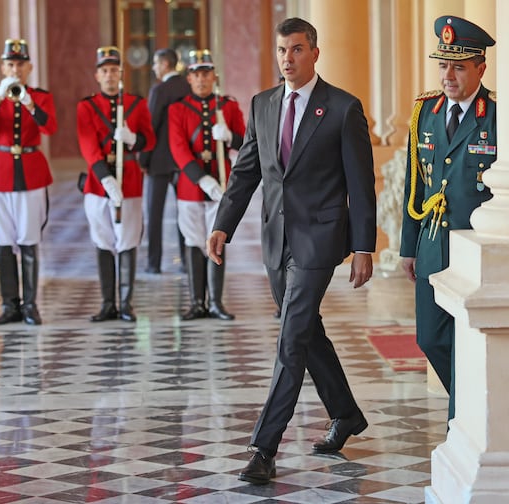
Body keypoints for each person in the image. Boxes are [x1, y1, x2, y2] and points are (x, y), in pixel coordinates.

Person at [207, 18, 377, 484]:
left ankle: (264, 447)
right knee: (304, 332)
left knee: (290, 337)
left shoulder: (342, 108)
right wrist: (223, 223)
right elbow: (246, 173)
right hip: (275, 240)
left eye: (298, 50)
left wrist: (364, 245)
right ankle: (345, 413)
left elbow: (361, 185)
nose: (288, 59)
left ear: (315, 53)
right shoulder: (262, 104)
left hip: (321, 240)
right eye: (283, 50)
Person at [400, 16, 496, 422]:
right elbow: (414, 185)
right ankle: (474, 411)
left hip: (476, 243)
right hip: (434, 241)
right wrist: (408, 248)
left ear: (480, 68)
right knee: (431, 338)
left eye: (458, 66)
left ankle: (465, 423)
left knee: (470, 339)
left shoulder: (495, 115)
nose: (448, 75)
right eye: (443, 65)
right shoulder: (425, 112)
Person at [0, 39, 57, 326]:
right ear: (2, 67)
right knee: (4, 240)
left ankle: (30, 305)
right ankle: (10, 305)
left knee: (29, 238)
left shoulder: (40, 96)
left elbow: (50, 127)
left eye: (20, 64)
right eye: (10, 64)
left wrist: (31, 104)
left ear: (29, 67)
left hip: (32, 173)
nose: (15, 69)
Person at [77, 46, 156, 322]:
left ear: (121, 74)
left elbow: (150, 139)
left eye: (114, 70)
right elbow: (88, 146)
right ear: (97, 75)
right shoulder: (86, 106)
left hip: (130, 181)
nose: (110, 75)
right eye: (105, 71)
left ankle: (126, 303)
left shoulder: (137, 104)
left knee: (127, 240)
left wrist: (133, 139)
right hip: (99, 185)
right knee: (103, 241)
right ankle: (107, 303)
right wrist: (105, 177)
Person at [169, 50, 245, 320]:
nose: (201, 79)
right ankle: (196, 302)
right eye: (196, 74)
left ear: (214, 76)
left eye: (206, 74)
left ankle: (215, 302)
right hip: (191, 186)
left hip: (221, 183)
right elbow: (178, 149)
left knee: (217, 240)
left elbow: (246, 144)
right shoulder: (177, 109)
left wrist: (230, 137)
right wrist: (202, 179)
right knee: (193, 240)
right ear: (189, 78)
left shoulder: (228, 106)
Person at [140, 48, 191, 274]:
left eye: (155, 63)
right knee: (184, 212)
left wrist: (144, 158)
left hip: (159, 161)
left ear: (164, 64)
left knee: (154, 214)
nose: (153, 68)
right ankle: (187, 261)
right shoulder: (188, 87)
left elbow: (150, 125)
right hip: (183, 160)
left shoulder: (159, 90)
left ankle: (154, 263)